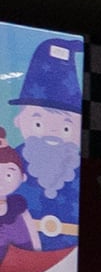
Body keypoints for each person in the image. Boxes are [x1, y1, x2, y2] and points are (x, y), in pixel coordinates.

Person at [10, 37, 79, 254]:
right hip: (15, 255)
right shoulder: (10, 163)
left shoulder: (81, 171)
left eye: (66, 127)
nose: (53, 133)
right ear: (19, 120)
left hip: (73, 256)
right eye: (38, 123)